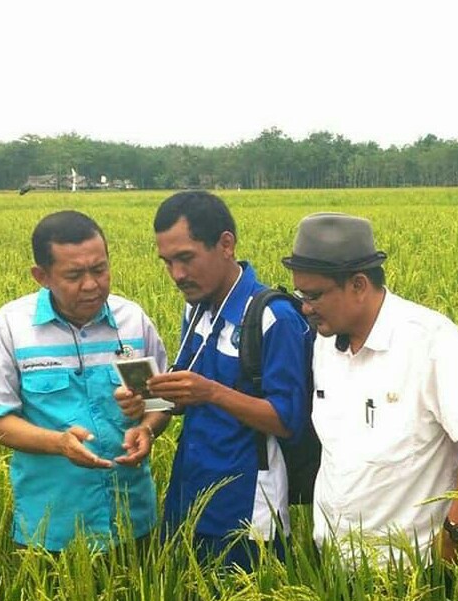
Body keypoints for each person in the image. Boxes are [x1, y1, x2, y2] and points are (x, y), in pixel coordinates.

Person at [117, 191, 312, 570]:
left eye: (186, 258)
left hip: (247, 510)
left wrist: (211, 392)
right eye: (168, 262)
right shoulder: (197, 309)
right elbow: (184, 394)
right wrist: (148, 411)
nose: (177, 274)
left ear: (225, 244)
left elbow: (289, 421)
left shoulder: (274, 318)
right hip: (188, 494)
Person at [0, 210, 169, 552]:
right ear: (42, 276)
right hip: (51, 526)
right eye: (74, 275)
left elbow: (159, 402)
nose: (92, 284)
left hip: (132, 518)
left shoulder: (133, 322)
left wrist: (148, 427)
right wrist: (58, 443)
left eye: (100, 269)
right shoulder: (11, 328)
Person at [282, 212, 458, 564]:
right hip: (333, 562)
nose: (305, 307)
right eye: (300, 294)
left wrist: (453, 538)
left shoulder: (432, 343)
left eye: (315, 295)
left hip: (410, 572)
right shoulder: (325, 342)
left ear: (359, 285)